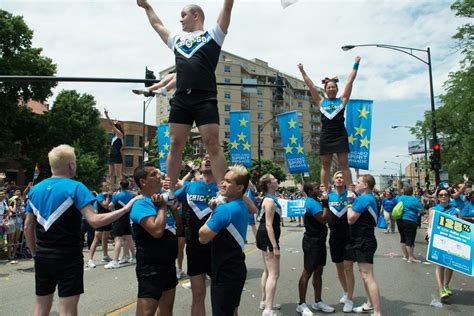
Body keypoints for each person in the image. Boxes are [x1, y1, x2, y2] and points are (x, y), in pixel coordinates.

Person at [23, 144, 141, 316]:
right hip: (68, 256)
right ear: (71, 165)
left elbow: (27, 227)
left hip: (42, 256)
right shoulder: (76, 187)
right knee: (68, 309)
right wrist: (125, 209)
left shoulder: (35, 190)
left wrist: (35, 253)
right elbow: (94, 221)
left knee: (41, 307)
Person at [137, 0, 234, 204]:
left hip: (205, 96)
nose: (180, 19)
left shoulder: (213, 35)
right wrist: (147, 6)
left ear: (196, 16)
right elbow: (157, 25)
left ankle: (223, 192)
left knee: (212, 143)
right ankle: (169, 191)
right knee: (175, 143)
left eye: (183, 15)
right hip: (181, 98)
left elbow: (227, 7)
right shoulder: (177, 39)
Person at [297, 57, 361, 188]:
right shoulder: (320, 101)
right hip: (326, 135)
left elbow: (350, 81)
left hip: (340, 135)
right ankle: (324, 189)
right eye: (328, 87)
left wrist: (356, 64)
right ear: (325, 90)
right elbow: (310, 85)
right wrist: (302, 71)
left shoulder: (342, 100)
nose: (331, 89)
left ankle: (350, 189)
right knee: (325, 164)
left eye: (333, 87)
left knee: (344, 163)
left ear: (337, 89)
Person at [199, 165, 250, 316]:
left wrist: (214, 212)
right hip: (236, 269)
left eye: (228, 181)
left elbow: (202, 236)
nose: (222, 184)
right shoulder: (241, 205)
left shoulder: (224, 210)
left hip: (224, 273)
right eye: (223, 180)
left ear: (240, 187)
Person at [130, 163, 178, 316]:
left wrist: (174, 211)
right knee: (146, 313)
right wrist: (163, 207)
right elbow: (157, 231)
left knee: (166, 311)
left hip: (168, 264)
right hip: (151, 267)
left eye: (158, 173)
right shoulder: (141, 204)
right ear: (143, 182)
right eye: (153, 175)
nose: (159, 176)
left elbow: (180, 229)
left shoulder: (160, 201)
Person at [175, 154, 218, 316]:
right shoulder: (189, 187)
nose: (207, 159)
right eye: (204, 158)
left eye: (211, 157)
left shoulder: (225, 188)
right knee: (198, 294)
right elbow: (170, 201)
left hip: (218, 248)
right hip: (194, 248)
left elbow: (251, 209)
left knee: (220, 296)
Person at [296, 182, 334, 315]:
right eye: (317, 188)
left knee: (319, 271)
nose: (320, 189)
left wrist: (325, 204)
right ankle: (301, 304)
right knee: (307, 272)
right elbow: (324, 219)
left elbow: (330, 219)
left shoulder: (317, 201)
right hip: (311, 242)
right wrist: (325, 204)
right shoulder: (311, 203)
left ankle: (318, 301)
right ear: (310, 191)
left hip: (320, 242)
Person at [346, 174, 381, 316]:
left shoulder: (364, 199)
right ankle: (369, 304)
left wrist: (349, 203)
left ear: (365, 185)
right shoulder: (367, 198)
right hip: (364, 239)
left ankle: (377, 312)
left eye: (358, 182)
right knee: (365, 274)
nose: (355, 184)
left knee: (368, 276)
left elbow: (350, 219)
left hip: (364, 240)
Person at [327, 171, 355, 312]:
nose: (339, 179)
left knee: (348, 267)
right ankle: (345, 292)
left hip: (349, 236)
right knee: (339, 267)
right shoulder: (328, 196)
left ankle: (350, 299)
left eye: (341, 177)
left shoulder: (350, 195)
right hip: (334, 237)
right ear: (333, 181)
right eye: (337, 177)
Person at [427, 188, 462, 301]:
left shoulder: (455, 211)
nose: (443, 196)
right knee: (440, 265)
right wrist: (429, 237)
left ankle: (446, 285)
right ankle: (441, 289)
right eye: (441, 195)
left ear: (449, 196)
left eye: (445, 194)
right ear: (437, 197)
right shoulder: (433, 210)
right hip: (439, 242)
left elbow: (462, 228)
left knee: (450, 265)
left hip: (452, 243)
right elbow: (430, 226)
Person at [256, 173, 282, 316]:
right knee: (274, 274)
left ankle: (264, 301)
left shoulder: (269, 199)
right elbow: (268, 225)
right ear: (268, 184)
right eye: (274, 179)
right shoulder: (270, 201)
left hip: (263, 236)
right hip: (267, 237)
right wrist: (275, 247)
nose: (277, 180)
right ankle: (268, 309)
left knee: (267, 271)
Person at [104, 180, 137, 269]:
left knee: (118, 239)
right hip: (128, 218)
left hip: (119, 218)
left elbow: (110, 206)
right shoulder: (131, 195)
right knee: (129, 238)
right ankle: (133, 257)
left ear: (120, 186)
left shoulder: (117, 196)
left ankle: (114, 261)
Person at [87, 181, 113, 268]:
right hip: (101, 219)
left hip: (108, 218)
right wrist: (108, 197)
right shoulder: (99, 196)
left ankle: (105, 256)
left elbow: (111, 206)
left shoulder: (110, 195)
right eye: (105, 186)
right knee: (97, 238)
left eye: (108, 185)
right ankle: (90, 259)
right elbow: (105, 205)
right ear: (101, 188)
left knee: (105, 238)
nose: (107, 187)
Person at [396, 186, 424, 263]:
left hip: (400, 220)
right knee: (410, 239)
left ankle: (405, 256)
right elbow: (421, 210)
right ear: (411, 192)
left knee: (403, 238)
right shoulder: (414, 199)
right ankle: (411, 257)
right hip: (410, 220)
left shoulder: (400, 198)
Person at [104, 108, 124, 190]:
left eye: (113, 128)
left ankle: (120, 188)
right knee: (111, 173)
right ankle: (111, 189)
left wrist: (106, 115)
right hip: (112, 155)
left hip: (117, 155)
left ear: (116, 128)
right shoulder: (113, 137)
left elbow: (111, 125)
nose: (112, 130)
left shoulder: (120, 134)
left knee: (118, 174)